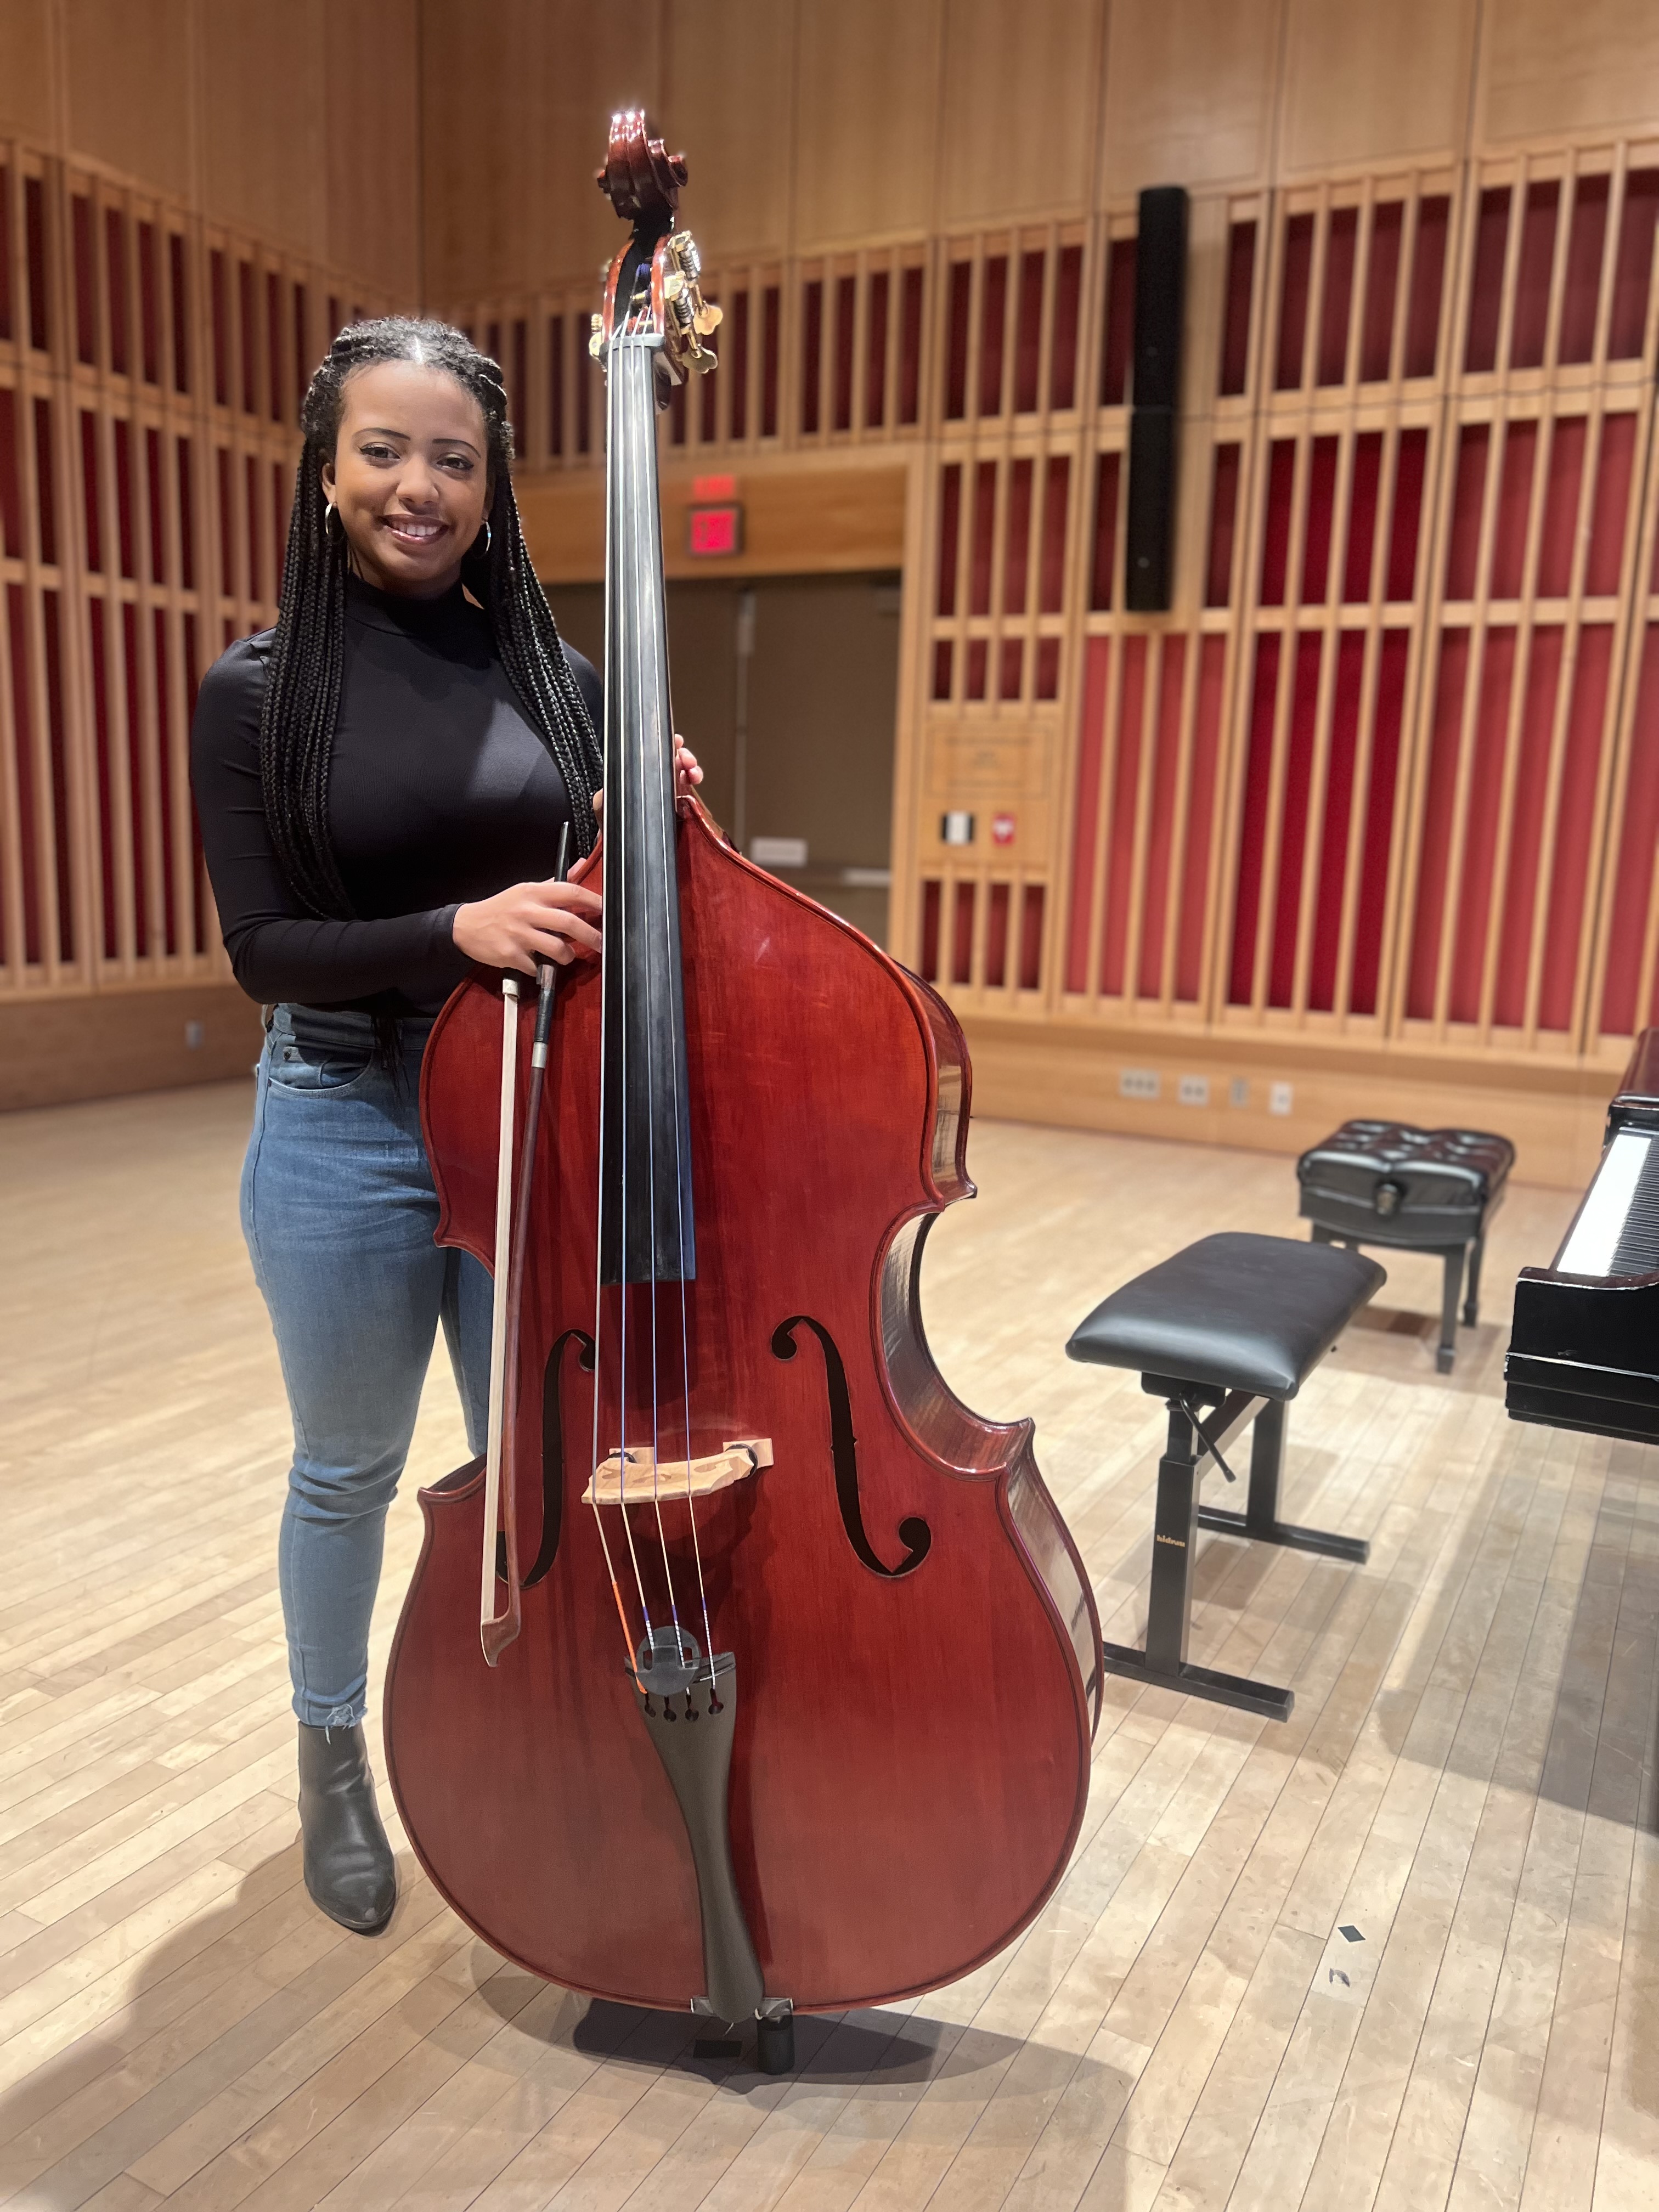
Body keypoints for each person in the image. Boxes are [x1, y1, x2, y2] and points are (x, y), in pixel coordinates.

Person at [190, 317, 699, 1936]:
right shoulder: (255, 691)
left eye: (454, 459)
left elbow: (617, 909)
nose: (418, 487)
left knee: (533, 1456)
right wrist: (452, 930)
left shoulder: (558, 677)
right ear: (326, 467)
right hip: (344, 1112)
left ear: (494, 485)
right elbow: (263, 955)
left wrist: (661, 814)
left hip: (527, 1113)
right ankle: (332, 1750)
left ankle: (538, 1728)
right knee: (348, 1466)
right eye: (384, 451)